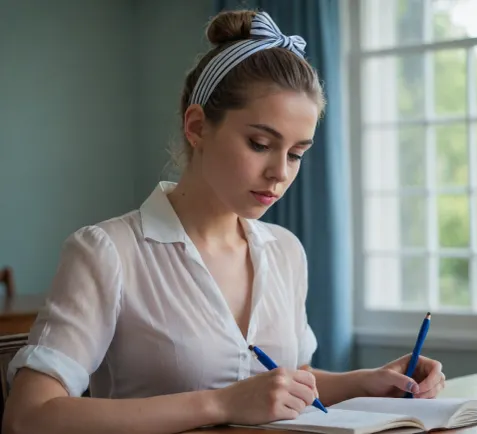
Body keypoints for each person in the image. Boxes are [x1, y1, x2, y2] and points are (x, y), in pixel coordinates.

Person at [2, 9, 445, 434]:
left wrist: (366, 381)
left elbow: (286, 382)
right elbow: (28, 418)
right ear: (196, 126)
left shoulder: (285, 250)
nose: (280, 173)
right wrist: (222, 403)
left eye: (296, 154)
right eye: (259, 143)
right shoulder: (107, 252)